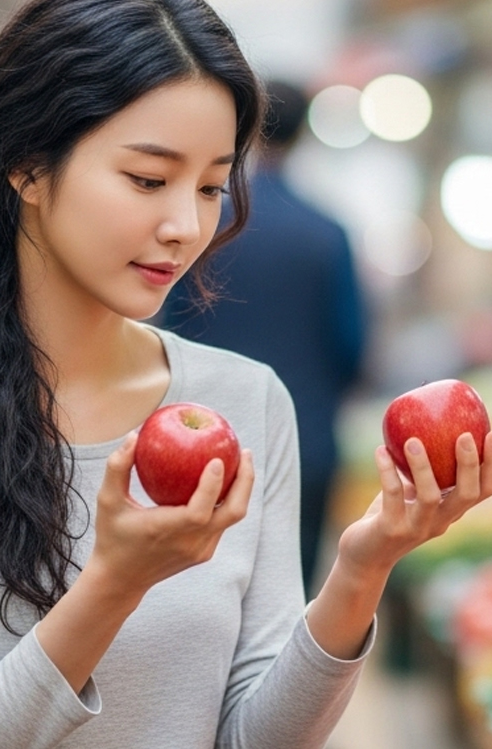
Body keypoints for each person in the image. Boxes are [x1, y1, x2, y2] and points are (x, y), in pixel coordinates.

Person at [0, 1, 492, 747]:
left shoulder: (246, 402)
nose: (186, 226)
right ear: (28, 166)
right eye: (146, 179)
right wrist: (114, 583)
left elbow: (249, 739)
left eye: (208, 187)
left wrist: (364, 566)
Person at [162, 80, 368, 592]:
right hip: (308, 439)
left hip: (201, 444)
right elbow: (352, 343)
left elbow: (174, 323)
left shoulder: (209, 225)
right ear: (304, 135)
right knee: (290, 592)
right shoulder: (326, 231)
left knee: (204, 592)